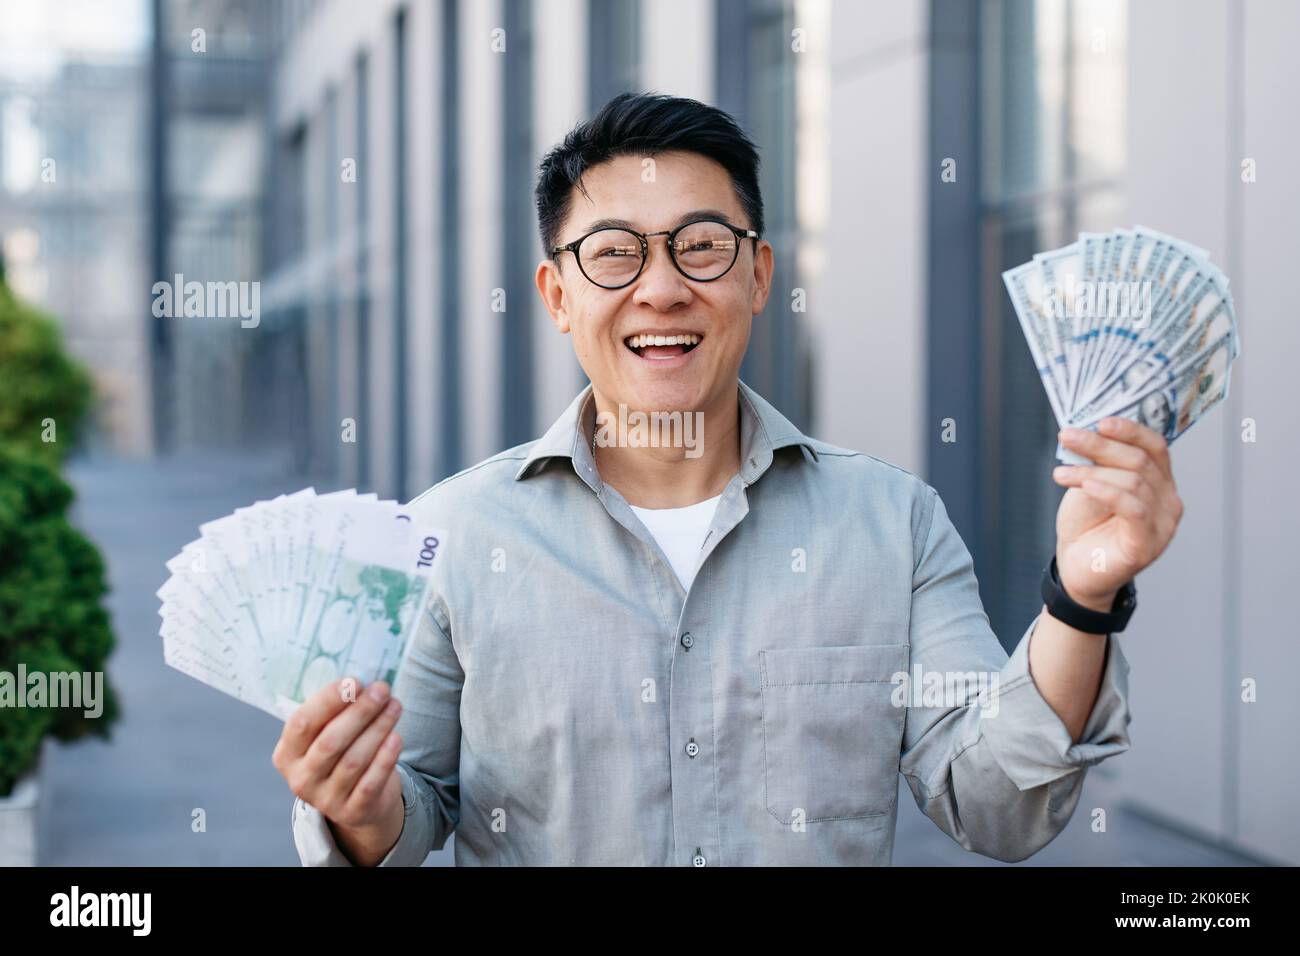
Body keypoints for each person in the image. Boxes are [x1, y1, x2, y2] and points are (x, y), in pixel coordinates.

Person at [273, 92, 1184, 866]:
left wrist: (1082, 595)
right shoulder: (451, 535)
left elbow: (995, 801)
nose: (662, 289)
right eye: (615, 252)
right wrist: (358, 807)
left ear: (759, 276)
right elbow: (412, 805)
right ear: (557, 295)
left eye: (701, 245)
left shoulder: (893, 524)